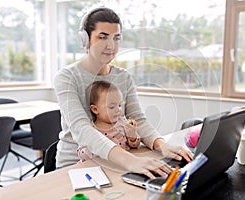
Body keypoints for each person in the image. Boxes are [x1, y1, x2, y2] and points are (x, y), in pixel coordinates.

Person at [53, 6, 193, 178]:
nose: (111, 45)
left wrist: (161, 144)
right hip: (76, 164)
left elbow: (138, 120)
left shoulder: (123, 77)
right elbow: (82, 129)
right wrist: (130, 161)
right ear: (85, 39)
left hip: (115, 159)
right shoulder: (67, 77)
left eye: (116, 38)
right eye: (102, 37)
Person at [77, 80, 140, 162]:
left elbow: (135, 146)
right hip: (99, 167)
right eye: (112, 107)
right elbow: (82, 154)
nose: (118, 110)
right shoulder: (91, 130)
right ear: (95, 109)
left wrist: (132, 136)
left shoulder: (122, 122)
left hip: (123, 164)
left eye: (120, 105)